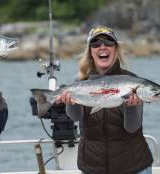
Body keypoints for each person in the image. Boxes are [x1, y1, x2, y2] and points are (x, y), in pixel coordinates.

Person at [56, 26, 153, 174]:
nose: (102, 46)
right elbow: (76, 117)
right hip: (93, 167)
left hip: (133, 166)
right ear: (90, 51)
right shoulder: (80, 82)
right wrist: (71, 103)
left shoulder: (131, 81)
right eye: (96, 43)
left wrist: (131, 106)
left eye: (108, 42)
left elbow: (132, 128)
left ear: (116, 49)